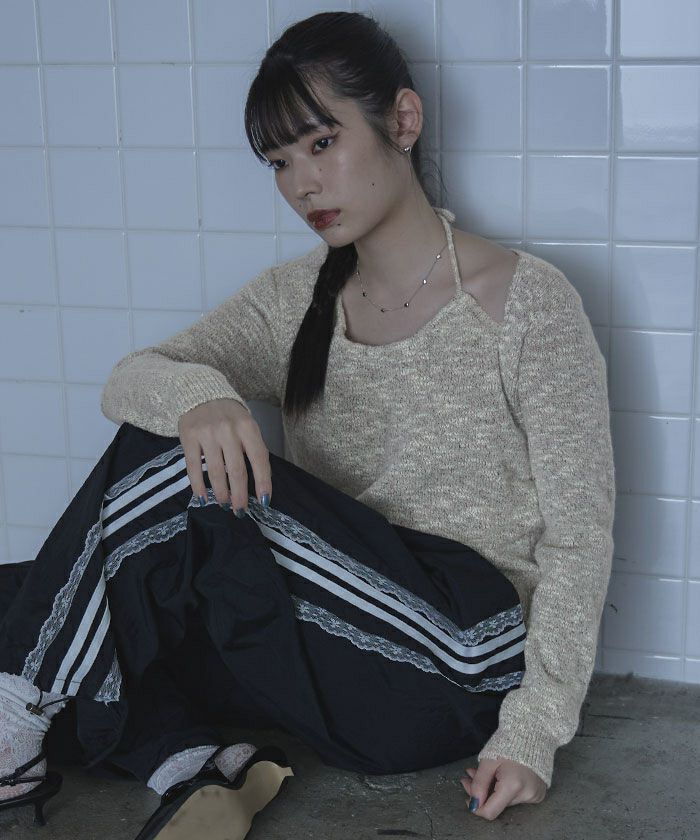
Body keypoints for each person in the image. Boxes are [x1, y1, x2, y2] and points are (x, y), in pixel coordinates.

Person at [0, 9, 615, 834]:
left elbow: (580, 537)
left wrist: (533, 734)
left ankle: (28, 730)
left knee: (163, 470)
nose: (301, 185)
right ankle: (191, 758)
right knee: (33, 593)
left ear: (403, 120)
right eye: (279, 162)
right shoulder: (295, 299)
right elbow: (133, 376)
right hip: (333, 652)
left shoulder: (526, 302)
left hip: (461, 657)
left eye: (322, 144)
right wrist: (202, 397)